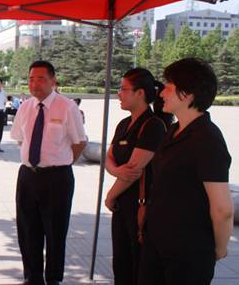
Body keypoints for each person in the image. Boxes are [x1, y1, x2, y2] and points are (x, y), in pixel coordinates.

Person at [138, 58, 233, 285]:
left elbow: (223, 209)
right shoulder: (174, 131)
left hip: (188, 252)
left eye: (168, 87)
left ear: (188, 94)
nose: (161, 93)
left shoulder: (208, 139)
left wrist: (219, 248)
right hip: (158, 244)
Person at [11, 60, 87, 285]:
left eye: (41, 79)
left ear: (53, 81)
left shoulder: (67, 107)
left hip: (57, 178)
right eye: (31, 79)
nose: (34, 84)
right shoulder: (25, 107)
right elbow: (21, 139)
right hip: (28, 176)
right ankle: (32, 277)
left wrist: (61, 163)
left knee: (55, 231)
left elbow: (79, 142)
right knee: (27, 230)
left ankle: (53, 278)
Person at [104, 68, 171, 285]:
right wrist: (116, 171)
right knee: (121, 261)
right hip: (122, 204)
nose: (119, 94)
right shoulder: (124, 124)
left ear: (140, 93)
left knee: (138, 264)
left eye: (123, 89)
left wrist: (110, 196)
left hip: (141, 206)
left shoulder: (153, 125)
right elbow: (109, 157)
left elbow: (133, 170)